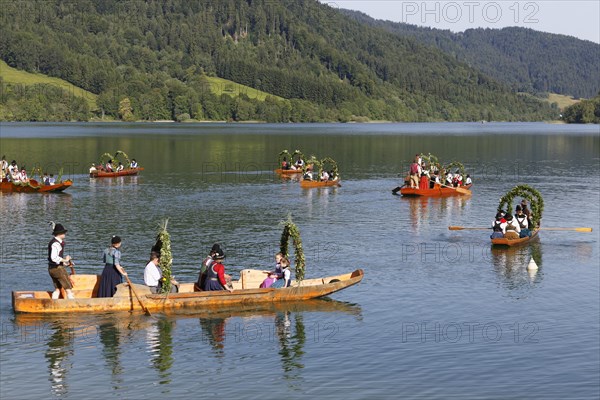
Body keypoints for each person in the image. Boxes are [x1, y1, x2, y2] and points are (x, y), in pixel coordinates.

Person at [47, 223, 75, 299]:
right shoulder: (56, 243)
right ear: (59, 234)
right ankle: (72, 305)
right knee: (68, 288)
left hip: (52, 268)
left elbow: (56, 259)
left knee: (57, 288)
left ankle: (54, 304)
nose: (65, 234)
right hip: (57, 269)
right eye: (63, 232)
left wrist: (66, 263)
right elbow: (54, 258)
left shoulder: (56, 242)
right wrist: (65, 259)